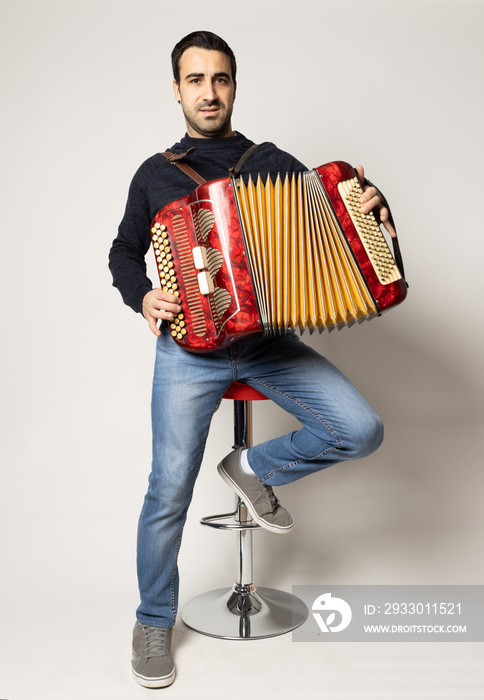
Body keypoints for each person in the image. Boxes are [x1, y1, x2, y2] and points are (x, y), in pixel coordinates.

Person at [109, 30, 396, 689]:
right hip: (191, 352)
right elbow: (124, 252)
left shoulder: (273, 164)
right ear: (176, 89)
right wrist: (143, 295)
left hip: (267, 346)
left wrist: (373, 212)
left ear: (234, 86)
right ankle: (153, 621)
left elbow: (337, 232)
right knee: (167, 491)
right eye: (196, 79)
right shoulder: (156, 174)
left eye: (221, 79)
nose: (209, 92)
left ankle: (250, 466)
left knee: (361, 429)